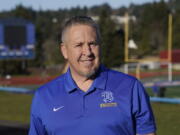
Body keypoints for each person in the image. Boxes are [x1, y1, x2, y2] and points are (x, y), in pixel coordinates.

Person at [29, 16, 156, 135]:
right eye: (79, 45)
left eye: (92, 44)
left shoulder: (130, 88)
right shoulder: (44, 96)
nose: (87, 52)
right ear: (64, 50)